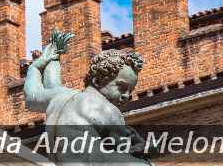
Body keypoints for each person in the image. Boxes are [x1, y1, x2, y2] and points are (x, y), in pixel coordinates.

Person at [24, 30, 149, 165]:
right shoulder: (108, 110)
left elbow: (35, 94)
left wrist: (41, 64)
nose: (126, 96)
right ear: (97, 81)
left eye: (130, 92)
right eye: (122, 88)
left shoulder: (62, 96)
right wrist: (143, 146)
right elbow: (127, 147)